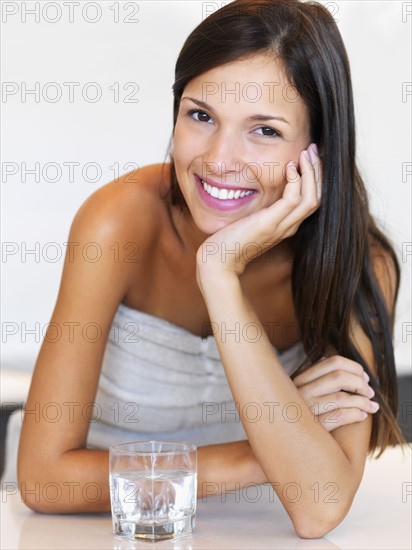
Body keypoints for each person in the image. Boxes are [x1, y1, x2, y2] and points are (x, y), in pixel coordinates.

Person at [17, 0, 405, 538]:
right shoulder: (119, 223)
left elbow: (319, 507)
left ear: (317, 147)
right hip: (92, 530)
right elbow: (45, 481)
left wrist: (220, 275)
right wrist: (266, 453)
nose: (219, 159)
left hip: (251, 532)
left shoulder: (360, 265)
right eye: (201, 115)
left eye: (264, 130)